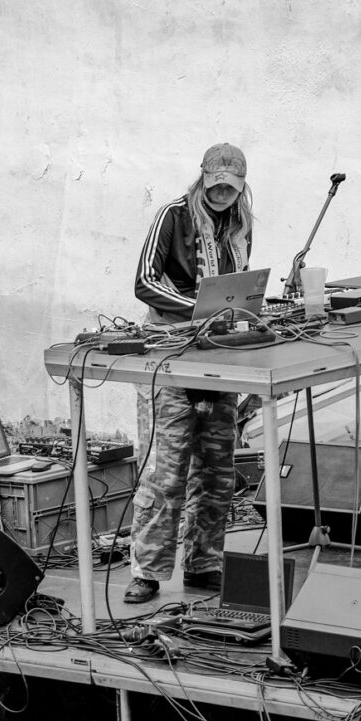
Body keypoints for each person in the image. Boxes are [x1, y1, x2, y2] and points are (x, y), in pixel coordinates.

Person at [124, 142, 254, 604]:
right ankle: (147, 570)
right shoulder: (172, 216)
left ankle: (204, 562)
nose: (221, 193)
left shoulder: (240, 225)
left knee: (217, 468)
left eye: (229, 187)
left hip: (216, 352)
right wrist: (198, 310)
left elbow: (235, 287)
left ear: (241, 187)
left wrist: (239, 311)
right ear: (202, 178)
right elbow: (144, 282)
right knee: (165, 470)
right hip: (170, 353)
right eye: (215, 185)